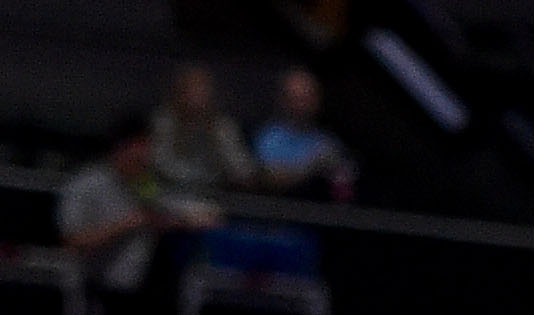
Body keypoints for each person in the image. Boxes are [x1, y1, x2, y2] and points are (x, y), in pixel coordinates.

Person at [58, 116, 217, 313]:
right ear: (121, 147)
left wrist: (176, 220)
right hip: (94, 286)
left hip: (138, 289)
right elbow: (73, 240)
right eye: (140, 147)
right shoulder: (86, 185)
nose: (145, 155)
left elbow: (198, 214)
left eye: (148, 148)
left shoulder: (146, 184)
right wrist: (127, 223)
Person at [252, 68, 356, 200]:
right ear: (283, 100)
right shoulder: (269, 137)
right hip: (279, 211)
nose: (302, 105)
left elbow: (344, 183)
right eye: (296, 98)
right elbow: (271, 180)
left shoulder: (327, 140)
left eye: (308, 98)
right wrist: (314, 165)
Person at [151, 64, 255, 193]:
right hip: (171, 192)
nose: (197, 95)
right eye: (191, 89)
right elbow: (160, 163)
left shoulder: (222, 126)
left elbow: (242, 169)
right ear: (178, 93)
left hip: (217, 195)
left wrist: (218, 141)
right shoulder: (164, 122)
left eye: (202, 89)